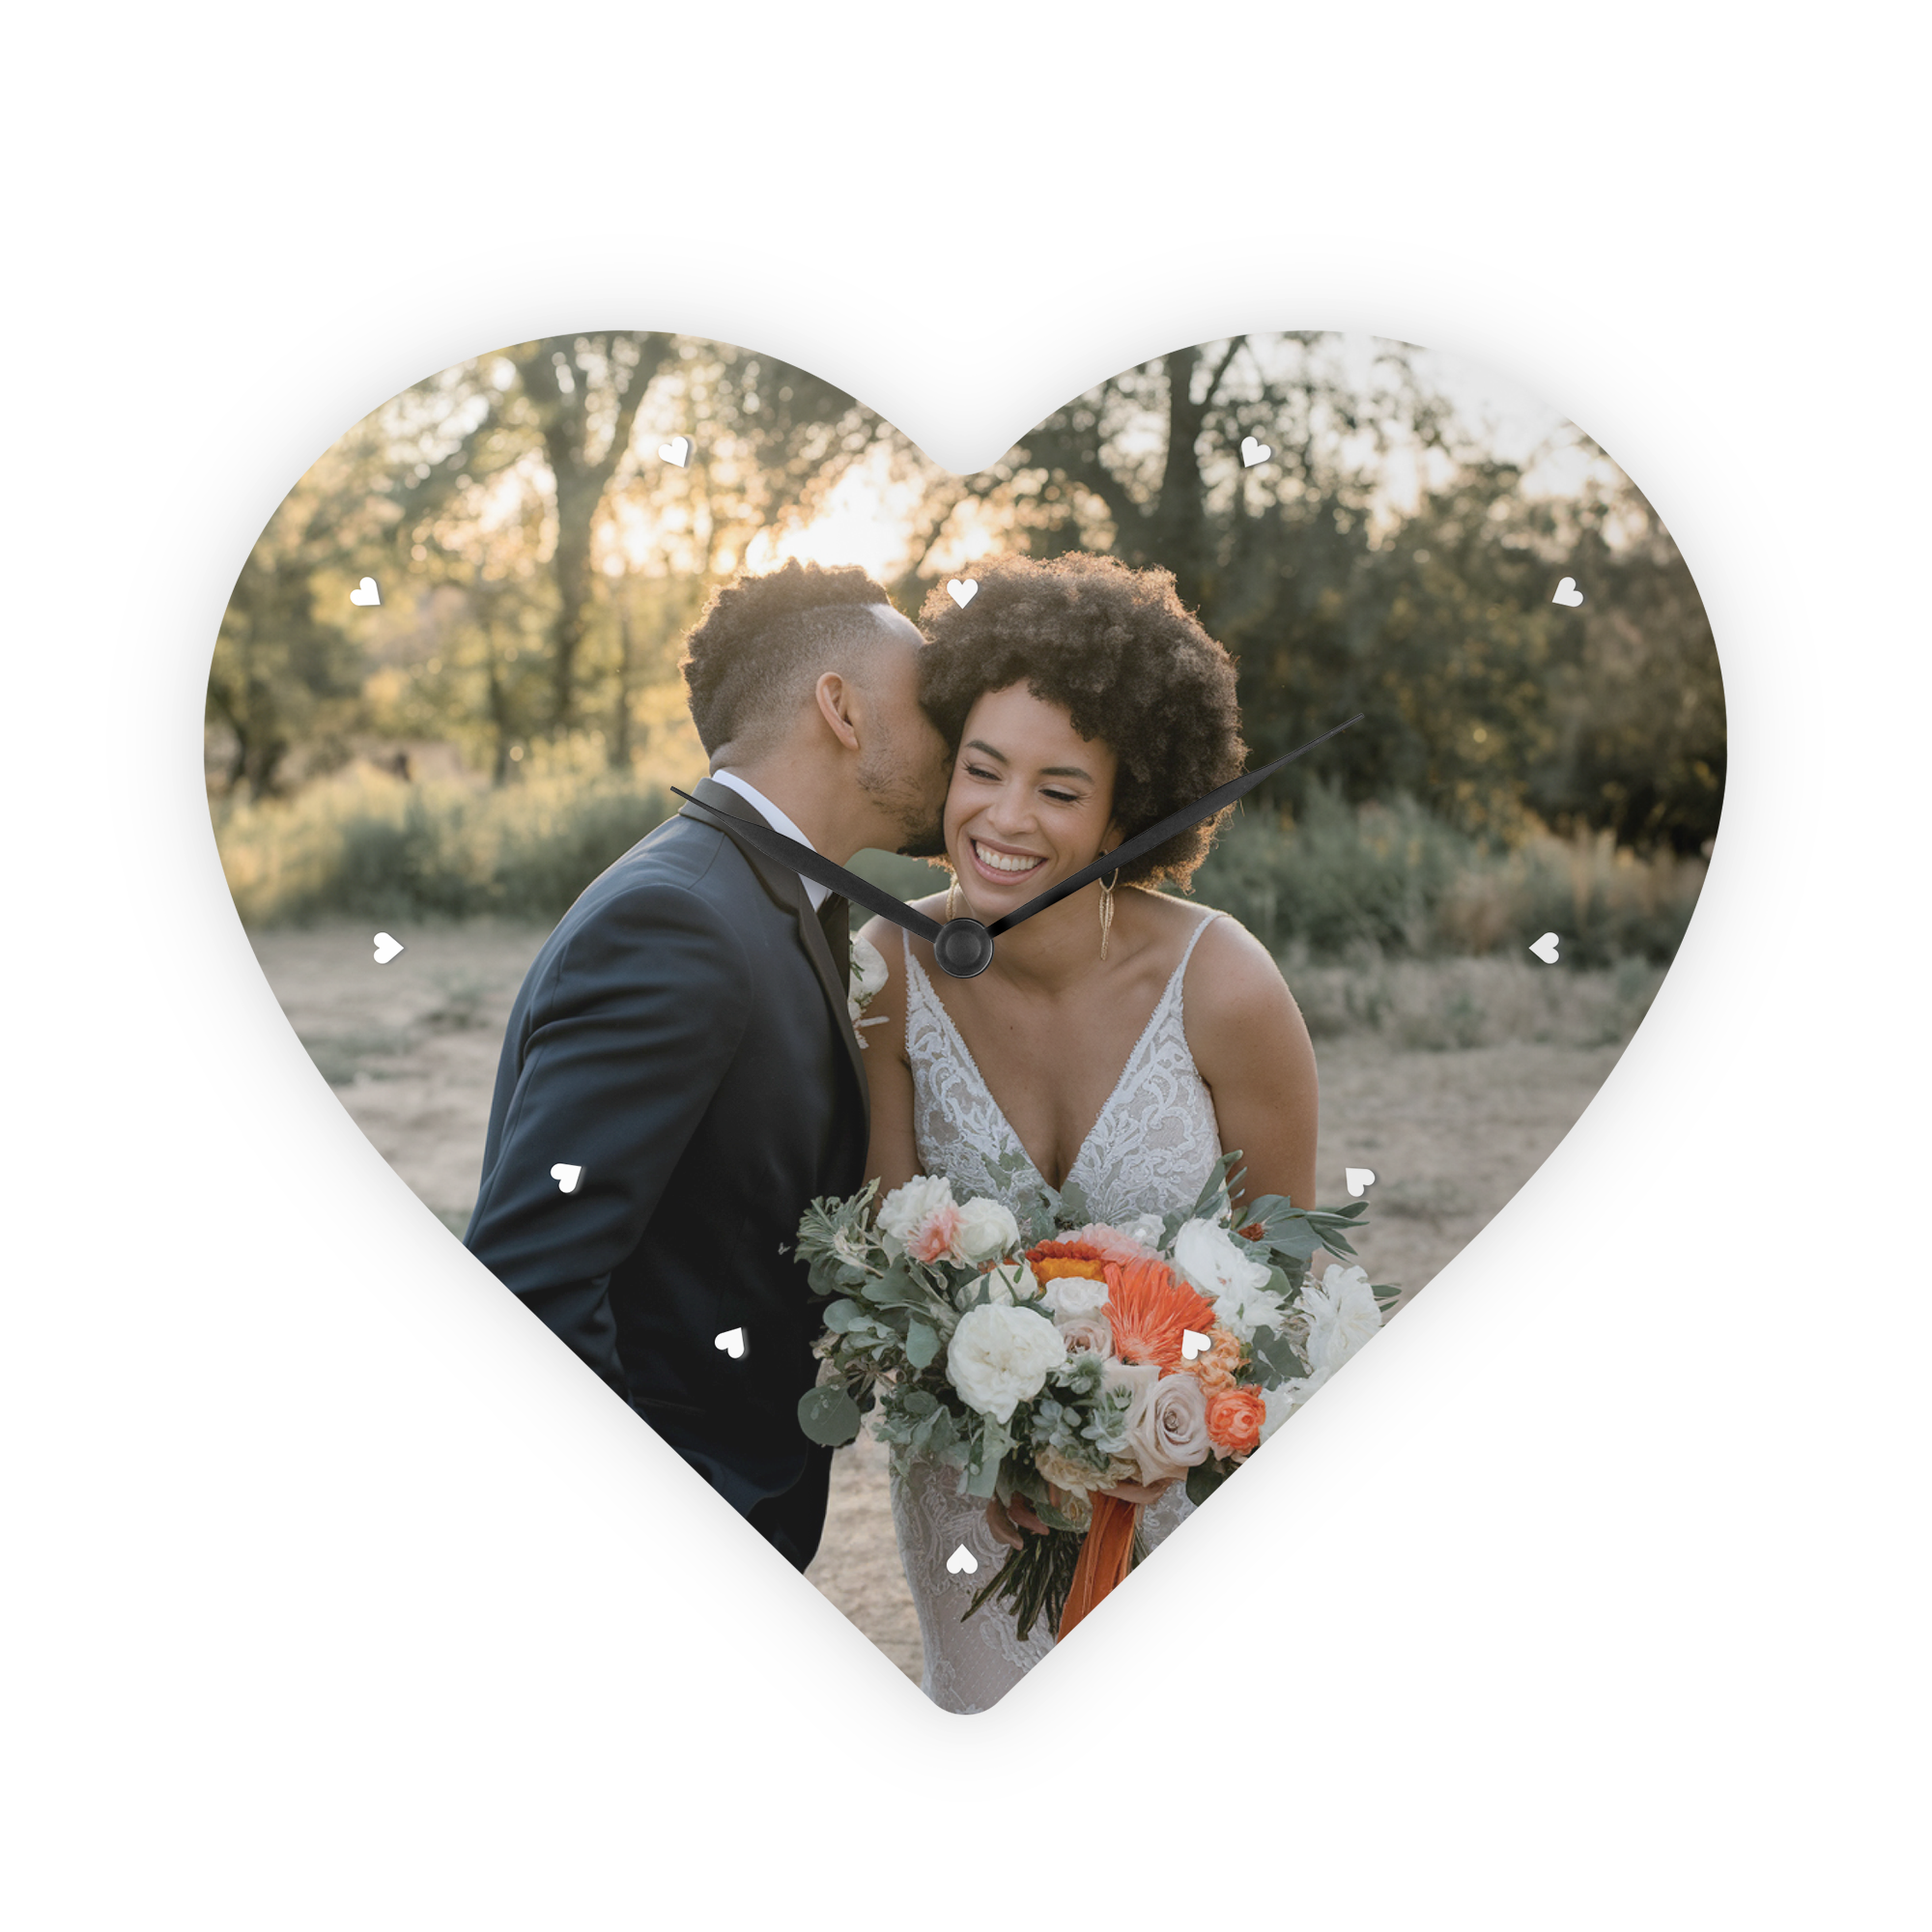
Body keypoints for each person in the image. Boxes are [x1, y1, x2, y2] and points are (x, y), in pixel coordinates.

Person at [854, 551, 1335, 1713]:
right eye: (981, 769)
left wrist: (1160, 1430)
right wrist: (1007, 1444)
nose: (1004, 817)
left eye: (1059, 790)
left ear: (1129, 811)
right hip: (969, 1477)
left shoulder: (1224, 984)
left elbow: (1286, 1270)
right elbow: (881, 1260)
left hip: (1185, 1462)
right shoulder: (887, 969)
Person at [465, 559, 951, 1572]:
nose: (954, 737)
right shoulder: (679, 920)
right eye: (929, 704)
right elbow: (532, 1275)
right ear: (842, 709)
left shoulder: (764, 896)